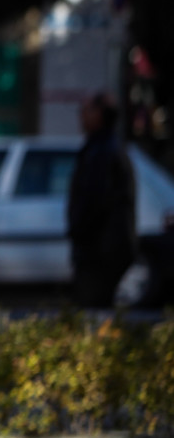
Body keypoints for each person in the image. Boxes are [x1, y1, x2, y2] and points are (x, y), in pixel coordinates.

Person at [67, 92, 136, 308]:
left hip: (99, 251)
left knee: (94, 310)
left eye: (85, 111)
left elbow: (95, 199)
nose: (81, 117)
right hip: (101, 248)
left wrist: (79, 229)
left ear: (99, 114)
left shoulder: (103, 151)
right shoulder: (104, 147)